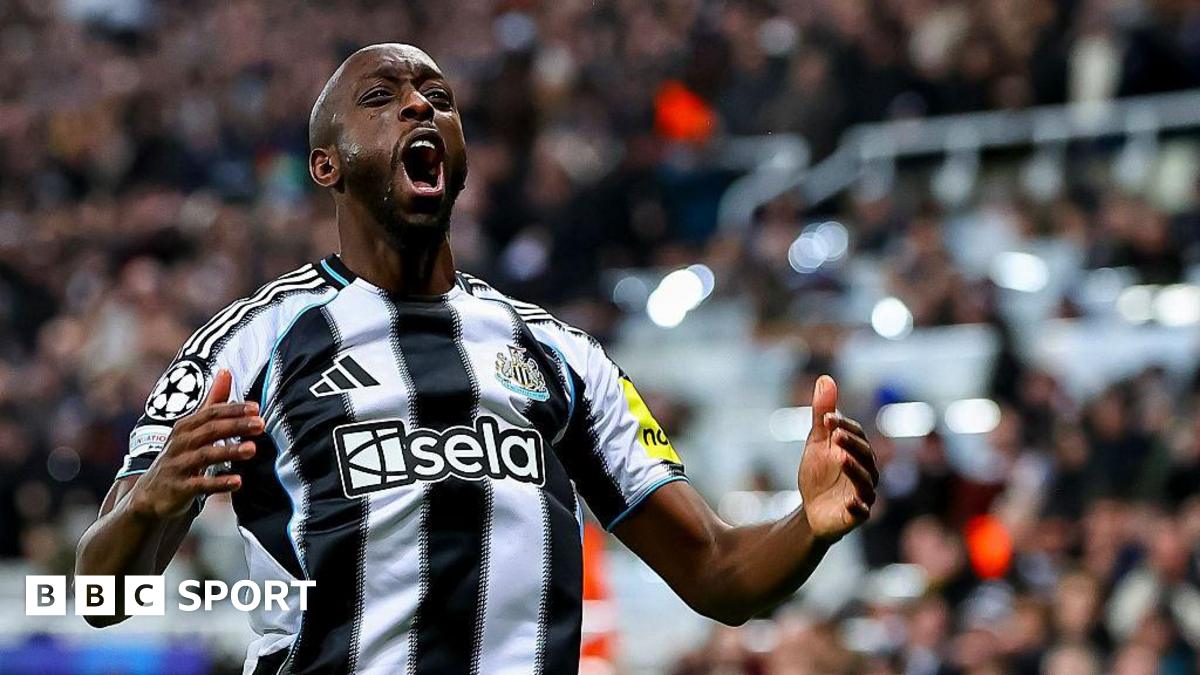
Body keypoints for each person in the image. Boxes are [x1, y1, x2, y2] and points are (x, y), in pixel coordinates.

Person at [74, 43, 879, 674]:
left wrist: (807, 524)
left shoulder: (560, 355)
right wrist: (149, 501)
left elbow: (715, 572)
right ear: (328, 165)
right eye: (382, 99)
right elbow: (92, 594)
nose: (422, 103)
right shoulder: (248, 345)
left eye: (439, 99)